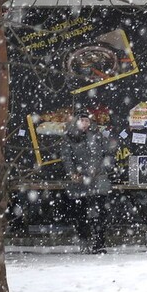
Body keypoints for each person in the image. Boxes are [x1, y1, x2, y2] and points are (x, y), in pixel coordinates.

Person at [61, 106, 116, 253]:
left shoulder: (97, 136)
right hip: (80, 182)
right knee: (80, 214)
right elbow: (66, 158)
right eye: (81, 120)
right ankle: (84, 241)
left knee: (100, 214)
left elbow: (109, 153)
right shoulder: (69, 137)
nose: (84, 123)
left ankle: (99, 243)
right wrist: (72, 173)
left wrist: (105, 168)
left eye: (86, 120)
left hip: (99, 180)